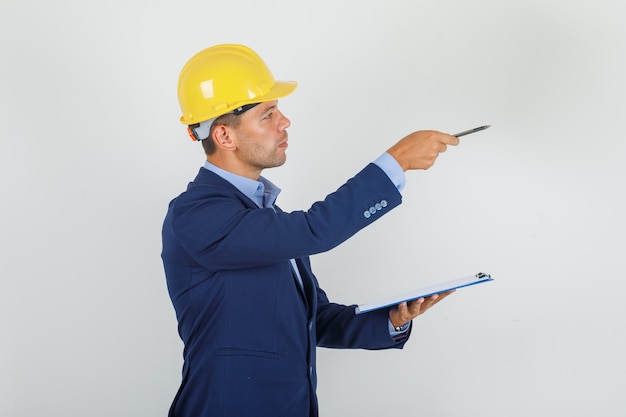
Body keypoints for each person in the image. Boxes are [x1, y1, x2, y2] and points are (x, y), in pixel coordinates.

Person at [162, 44, 459, 417]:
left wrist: (391, 320)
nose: (284, 121)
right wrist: (394, 164)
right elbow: (315, 230)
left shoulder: (266, 218)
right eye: (268, 114)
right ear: (224, 136)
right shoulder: (197, 213)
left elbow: (314, 320)